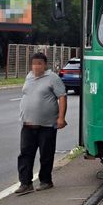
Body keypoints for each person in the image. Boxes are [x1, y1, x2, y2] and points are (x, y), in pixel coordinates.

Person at [15, 52, 68, 195]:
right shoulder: (29, 76)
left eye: (39, 63)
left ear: (45, 65)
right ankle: (25, 183)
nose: (36, 66)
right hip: (28, 123)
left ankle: (46, 181)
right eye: (34, 64)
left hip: (47, 125)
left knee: (46, 153)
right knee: (25, 153)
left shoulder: (53, 78)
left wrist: (61, 118)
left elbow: (62, 97)